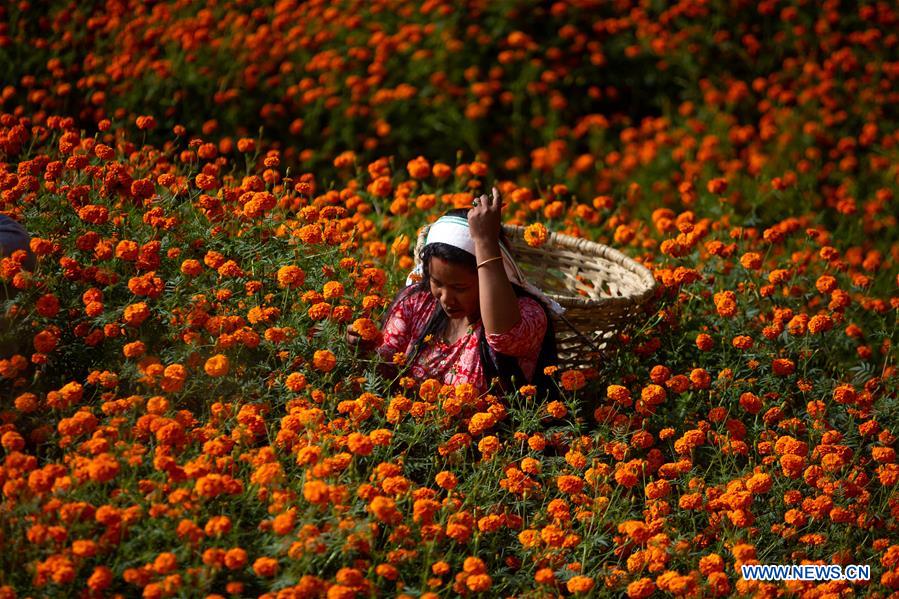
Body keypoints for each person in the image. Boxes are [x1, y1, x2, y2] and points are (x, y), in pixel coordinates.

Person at [348, 187, 564, 398]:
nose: (446, 298)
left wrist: (485, 241)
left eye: (460, 288)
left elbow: (503, 336)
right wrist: (365, 350)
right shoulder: (416, 302)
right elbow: (388, 372)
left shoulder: (528, 313)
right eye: (436, 282)